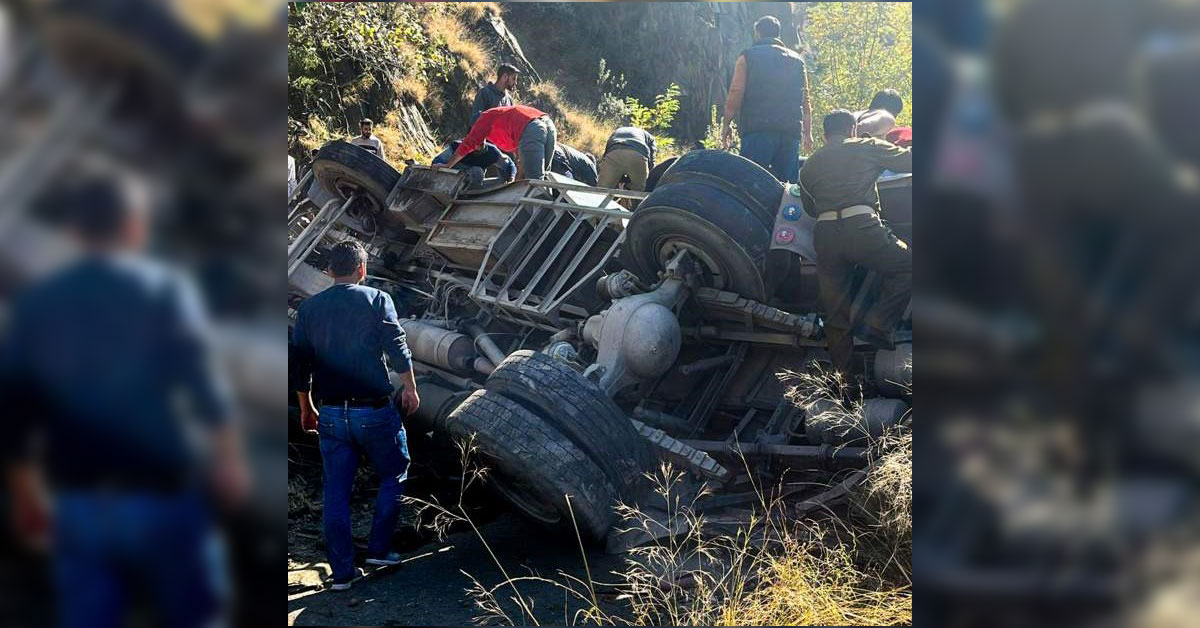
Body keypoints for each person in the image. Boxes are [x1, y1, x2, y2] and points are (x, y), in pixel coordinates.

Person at [1, 172, 249, 627]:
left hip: (78, 499)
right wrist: (229, 462)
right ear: (136, 228)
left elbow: (14, 413)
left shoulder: (37, 305)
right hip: (164, 492)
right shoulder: (164, 292)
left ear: (73, 232)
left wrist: (25, 495)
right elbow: (205, 386)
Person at [291, 240, 419, 591]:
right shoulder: (377, 299)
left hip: (330, 413)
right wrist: (409, 387)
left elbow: (299, 365)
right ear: (362, 270)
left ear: (329, 271)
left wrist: (306, 407)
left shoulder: (309, 309)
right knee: (394, 473)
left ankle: (342, 575)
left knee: (336, 492)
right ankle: (379, 550)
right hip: (374, 411)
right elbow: (397, 346)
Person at [798, 110, 913, 379]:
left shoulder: (810, 164)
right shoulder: (867, 146)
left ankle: (844, 383)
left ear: (825, 135)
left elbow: (809, 207)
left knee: (835, 315)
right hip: (862, 228)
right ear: (852, 129)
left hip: (825, 235)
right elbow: (910, 162)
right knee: (911, 265)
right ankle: (878, 323)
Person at [722, 15, 812, 182]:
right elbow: (805, 99)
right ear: (778, 34)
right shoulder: (798, 61)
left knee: (750, 184)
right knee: (788, 187)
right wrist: (808, 133)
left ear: (758, 33)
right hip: (790, 132)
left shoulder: (747, 57)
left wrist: (726, 124)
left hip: (757, 130)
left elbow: (736, 91)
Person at [440, 105, 556, 180]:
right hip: (548, 124)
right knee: (544, 177)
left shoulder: (484, 118)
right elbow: (520, 162)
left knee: (534, 181)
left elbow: (469, 143)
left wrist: (447, 165)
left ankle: (532, 217)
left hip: (532, 128)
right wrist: (517, 179)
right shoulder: (505, 123)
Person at [432, 139, 516, 188]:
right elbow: (437, 162)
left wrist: (511, 177)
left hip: (473, 181)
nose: (478, 144)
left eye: (481, 141)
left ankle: (471, 192)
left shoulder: (492, 152)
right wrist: (439, 166)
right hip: (452, 178)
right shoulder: (457, 146)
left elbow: (509, 165)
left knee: (477, 171)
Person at [596, 126, 656, 190]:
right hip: (637, 156)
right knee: (639, 193)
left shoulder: (617, 131)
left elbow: (607, 151)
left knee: (602, 191)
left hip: (614, 153)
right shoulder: (649, 137)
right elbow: (652, 163)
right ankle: (635, 198)